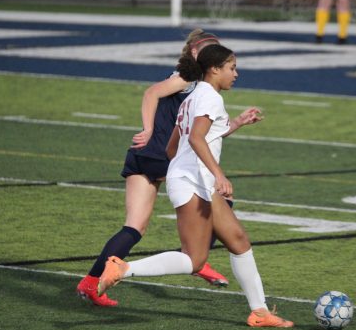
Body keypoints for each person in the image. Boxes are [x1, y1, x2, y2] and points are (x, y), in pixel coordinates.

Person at [97, 44, 294, 328]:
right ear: (215, 69)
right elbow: (196, 139)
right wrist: (218, 175)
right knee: (194, 260)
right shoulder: (209, 99)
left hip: (192, 180)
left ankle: (260, 312)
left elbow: (173, 147)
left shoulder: (194, 97)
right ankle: (123, 268)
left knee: (238, 240)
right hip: (194, 182)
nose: (236, 74)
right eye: (232, 67)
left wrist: (235, 124)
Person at [76, 30, 260, 307]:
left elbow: (199, 131)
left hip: (143, 155)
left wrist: (235, 123)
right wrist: (150, 130)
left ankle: (90, 283)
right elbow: (154, 96)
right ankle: (195, 259)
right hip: (162, 154)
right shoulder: (192, 80)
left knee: (134, 227)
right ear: (199, 55)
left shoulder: (192, 84)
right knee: (221, 200)